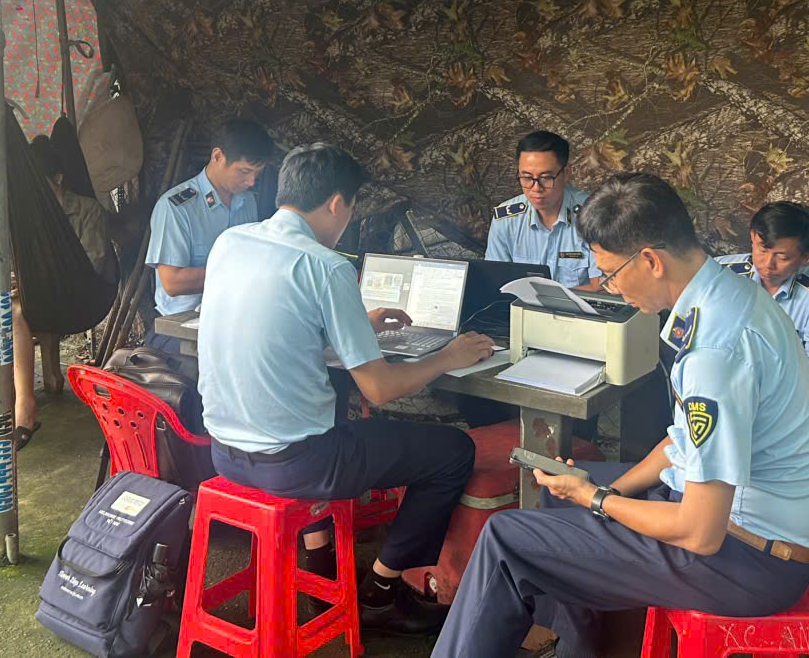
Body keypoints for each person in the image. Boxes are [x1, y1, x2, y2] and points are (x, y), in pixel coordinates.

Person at [432, 174, 809, 658]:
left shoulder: (716, 350)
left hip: (749, 560)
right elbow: (681, 440)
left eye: (611, 274)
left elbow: (699, 532)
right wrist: (607, 492)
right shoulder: (729, 295)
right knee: (560, 493)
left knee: (506, 541)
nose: (612, 288)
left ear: (650, 260)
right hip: (743, 527)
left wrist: (598, 500)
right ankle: (579, 649)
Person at [197, 143, 496, 636]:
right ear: (337, 203)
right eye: (351, 209)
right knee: (452, 451)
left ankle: (320, 568)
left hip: (225, 452)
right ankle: (380, 591)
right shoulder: (326, 265)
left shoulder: (231, 242)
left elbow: (276, 330)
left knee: (330, 408)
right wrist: (449, 355)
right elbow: (380, 389)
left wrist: (356, 324)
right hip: (298, 464)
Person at [0, 136, 112, 454]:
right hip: (32, 295)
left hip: (77, 297)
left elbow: (94, 264)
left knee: (16, 314)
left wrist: (43, 277)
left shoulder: (87, 211)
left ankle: (25, 407)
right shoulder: (25, 219)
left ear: (58, 178)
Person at [144, 118, 274, 356]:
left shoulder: (247, 202)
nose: (251, 182)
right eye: (244, 171)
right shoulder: (177, 207)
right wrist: (235, 274)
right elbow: (172, 282)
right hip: (180, 330)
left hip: (234, 324)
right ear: (217, 156)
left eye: (258, 174)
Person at [716, 201, 809, 381]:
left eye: (782, 257)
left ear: (805, 257)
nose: (768, 264)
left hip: (777, 384)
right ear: (752, 237)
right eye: (762, 250)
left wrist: (760, 373)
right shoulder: (720, 273)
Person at [486, 131, 599, 288]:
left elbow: (602, 287)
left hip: (579, 305)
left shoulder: (593, 214)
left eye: (546, 177)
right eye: (527, 177)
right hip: (519, 304)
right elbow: (496, 281)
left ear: (566, 173)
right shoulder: (506, 219)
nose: (536, 188)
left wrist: (547, 299)